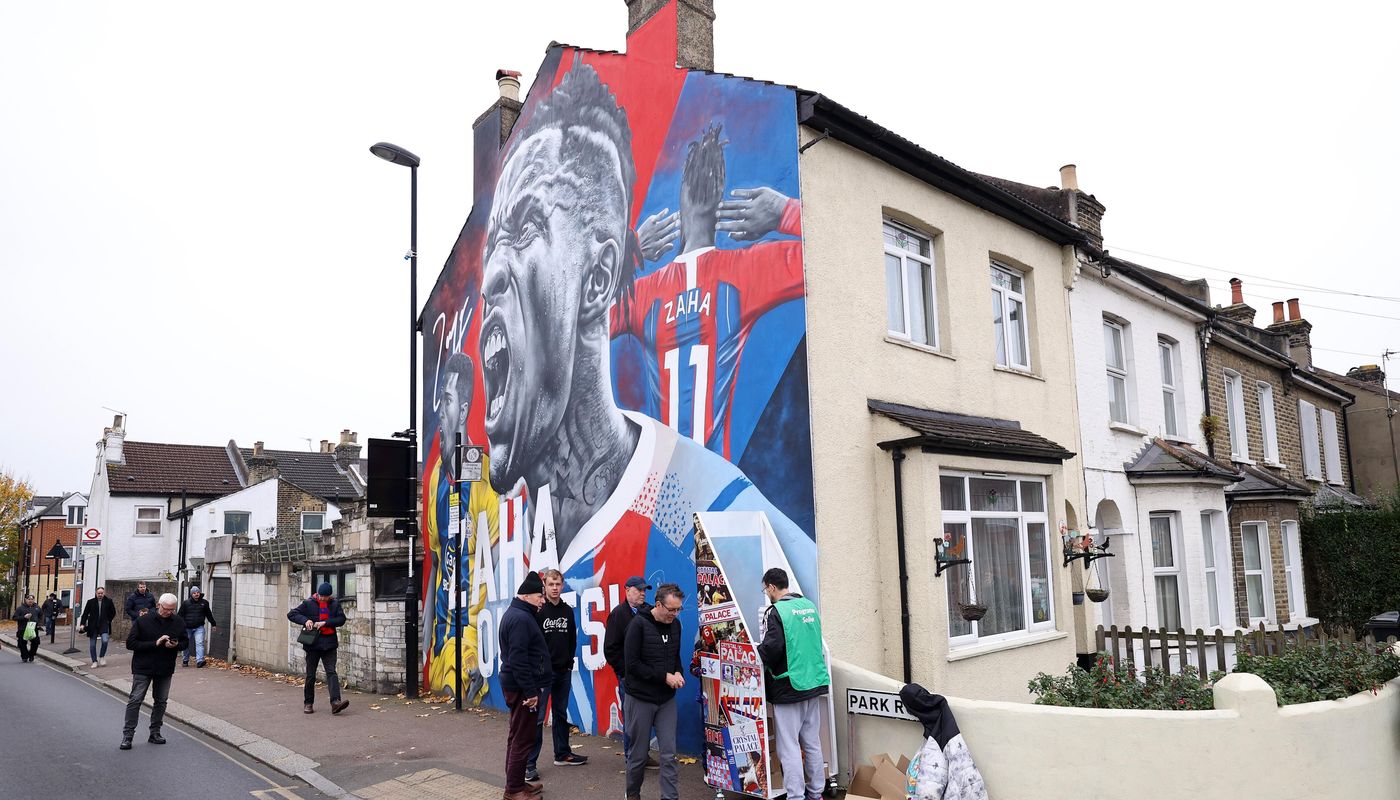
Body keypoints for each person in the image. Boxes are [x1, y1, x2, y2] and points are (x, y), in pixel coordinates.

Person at [757, 567, 830, 800]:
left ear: (771, 587)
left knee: (788, 746)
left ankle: (796, 796)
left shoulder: (776, 611)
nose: (766, 593)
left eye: (765, 589)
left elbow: (772, 649)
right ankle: (816, 792)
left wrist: (754, 653)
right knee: (811, 742)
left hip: (788, 685)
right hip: (813, 682)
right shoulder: (809, 606)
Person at [622, 582, 685, 800]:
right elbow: (632, 665)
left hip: (666, 699)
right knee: (638, 755)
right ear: (658, 604)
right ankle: (632, 794)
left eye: (679, 609)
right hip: (640, 697)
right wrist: (663, 676)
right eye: (671, 610)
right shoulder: (638, 625)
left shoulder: (675, 625)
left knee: (669, 754)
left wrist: (677, 672)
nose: (675, 614)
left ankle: (670, 798)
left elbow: (675, 656)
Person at [525, 569, 587, 782]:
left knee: (561, 714)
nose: (554, 588)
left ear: (562, 585)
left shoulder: (567, 611)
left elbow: (572, 640)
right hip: (543, 675)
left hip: (563, 672)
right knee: (538, 718)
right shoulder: (539, 611)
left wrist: (568, 664)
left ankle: (562, 754)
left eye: (558, 584)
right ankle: (529, 764)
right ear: (545, 586)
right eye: (551, 584)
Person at [498, 571, 550, 800]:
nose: (543, 600)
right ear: (527, 595)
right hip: (522, 688)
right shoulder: (520, 618)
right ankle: (514, 791)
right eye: (540, 596)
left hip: (518, 685)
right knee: (523, 738)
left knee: (517, 735)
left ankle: (517, 783)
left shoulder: (520, 614)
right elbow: (518, 659)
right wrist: (530, 692)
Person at [120, 593, 188, 750]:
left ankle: (155, 732)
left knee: (161, 701)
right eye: (166, 609)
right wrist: (155, 643)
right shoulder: (143, 621)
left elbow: (185, 642)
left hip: (165, 667)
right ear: (159, 605)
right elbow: (131, 643)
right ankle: (128, 735)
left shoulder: (178, 622)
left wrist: (175, 645)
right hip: (143, 667)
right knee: (135, 700)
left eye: (172, 609)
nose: (169, 612)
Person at [603, 576, 656, 765]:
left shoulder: (650, 611)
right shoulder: (618, 614)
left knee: (647, 716)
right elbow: (610, 648)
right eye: (638, 589)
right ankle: (632, 758)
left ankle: (644, 755)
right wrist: (624, 672)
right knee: (632, 718)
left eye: (644, 590)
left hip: (648, 675)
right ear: (627, 590)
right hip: (630, 677)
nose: (642, 593)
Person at [287, 583, 349, 715]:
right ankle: (308, 703)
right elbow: (291, 614)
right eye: (320, 596)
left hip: (329, 644)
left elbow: (341, 619)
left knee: (331, 672)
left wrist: (326, 623)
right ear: (317, 594)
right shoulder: (309, 603)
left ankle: (335, 702)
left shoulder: (334, 604)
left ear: (329, 596)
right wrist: (305, 620)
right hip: (313, 645)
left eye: (325, 596)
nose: (322, 599)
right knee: (310, 675)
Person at [177, 585, 217, 668]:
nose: (196, 594)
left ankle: (200, 661)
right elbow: (180, 615)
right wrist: (180, 626)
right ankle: (185, 660)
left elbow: (208, 614)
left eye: (198, 592)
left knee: (199, 643)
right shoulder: (186, 603)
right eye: (194, 593)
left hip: (199, 627)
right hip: (187, 627)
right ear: (191, 594)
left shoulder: (204, 603)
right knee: (186, 644)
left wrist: (213, 624)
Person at [78, 586, 118, 667]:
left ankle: (102, 656)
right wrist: (82, 624)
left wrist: (108, 620)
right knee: (92, 644)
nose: (100, 595)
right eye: (98, 593)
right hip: (93, 626)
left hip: (104, 625)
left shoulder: (109, 601)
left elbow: (113, 612)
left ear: (104, 593)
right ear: (96, 593)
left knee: (105, 640)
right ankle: (94, 661)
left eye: (101, 593)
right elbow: (85, 614)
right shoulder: (90, 602)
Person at [12, 594, 41, 662]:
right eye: (29, 599)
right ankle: (24, 656)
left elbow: (41, 616)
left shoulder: (37, 608)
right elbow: (14, 618)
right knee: (22, 643)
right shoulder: (20, 608)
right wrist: (24, 617)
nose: (30, 601)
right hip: (23, 628)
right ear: (25, 600)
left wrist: (39, 624)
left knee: (36, 642)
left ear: (34, 600)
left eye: (32, 599)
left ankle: (31, 655)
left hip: (33, 629)